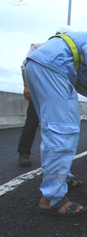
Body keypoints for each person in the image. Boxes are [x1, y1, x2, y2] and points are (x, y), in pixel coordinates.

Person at [25, 30, 87, 216]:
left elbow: (83, 86)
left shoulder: (86, 63)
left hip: (39, 65)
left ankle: (63, 179)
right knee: (63, 131)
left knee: (52, 129)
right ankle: (52, 198)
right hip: (53, 68)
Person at [17, 26, 75, 166]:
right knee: (32, 121)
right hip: (39, 91)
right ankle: (24, 153)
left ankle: (55, 160)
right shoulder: (39, 47)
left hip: (56, 94)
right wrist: (27, 87)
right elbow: (25, 66)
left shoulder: (68, 52)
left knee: (58, 126)